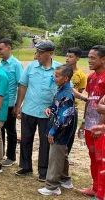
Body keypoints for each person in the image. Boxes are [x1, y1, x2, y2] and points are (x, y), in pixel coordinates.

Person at [14, 40, 62, 181]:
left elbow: (64, 90)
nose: (37, 56)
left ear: (50, 53)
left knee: (45, 142)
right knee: (26, 139)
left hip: (47, 114)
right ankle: (25, 166)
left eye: (40, 53)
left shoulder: (59, 68)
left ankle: (43, 171)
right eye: (37, 52)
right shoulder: (31, 67)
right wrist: (18, 106)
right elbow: (22, 86)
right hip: (29, 110)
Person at [37, 65, 75, 196]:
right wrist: (50, 108)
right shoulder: (61, 90)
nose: (54, 78)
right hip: (60, 130)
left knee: (55, 157)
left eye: (57, 76)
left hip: (60, 131)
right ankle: (65, 179)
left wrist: (52, 132)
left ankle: (52, 186)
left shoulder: (67, 94)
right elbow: (57, 107)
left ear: (65, 78)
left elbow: (64, 117)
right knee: (61, 155)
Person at [78, 45, 105, 200]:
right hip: (89, 125)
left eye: (93, 58)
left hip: (100, 128)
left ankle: (101, 193)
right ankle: (95, 188)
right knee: (92, 157)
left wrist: (100, 125)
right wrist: (83, 122)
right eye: (88, 57)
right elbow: (89, 102)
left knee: (102, 160)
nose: (89, 60)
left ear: (103, 59)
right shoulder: (91, 77)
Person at [0, 38, 23, 167]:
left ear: (9, 48)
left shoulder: (16, 64)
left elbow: (21, 85)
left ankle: (11, 157)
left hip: (10, 104)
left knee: (10, 131)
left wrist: (18, 106)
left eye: (1, 49)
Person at [65, 47, 88, 159]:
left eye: (70, 56)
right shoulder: (61, 70)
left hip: (72, 108)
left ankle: (65, 157)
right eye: (67, 56)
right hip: (59, 107)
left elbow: (79, 93)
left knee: (70, 134)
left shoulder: (81, 75)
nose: (67, 59)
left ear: (77, 58)